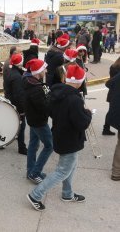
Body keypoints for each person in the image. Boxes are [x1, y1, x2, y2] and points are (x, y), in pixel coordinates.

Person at [27, 64, 92, 211]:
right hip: (69, 139)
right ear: (78, 81)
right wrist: (87, 113)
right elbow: (82, 123)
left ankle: (67, 193)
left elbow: (52, 112)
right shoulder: (74, 99)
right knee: (62, 170)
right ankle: (35, 195)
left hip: (61, 135)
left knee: (71, 165)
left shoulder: (56, 92)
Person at [23, 59, 53, 184]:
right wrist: (50, 96)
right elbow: (44, 107)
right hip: (39, 121)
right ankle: (34, 173)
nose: (46, 71)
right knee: (49, 146)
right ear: (38, 72)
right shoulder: (36, 88)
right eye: (44, 69)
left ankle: (30, 170)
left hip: (32, 119)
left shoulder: (29, 82)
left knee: (33, 144)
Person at [4, 53, 27, 155]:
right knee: (21, 126)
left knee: (12, 124)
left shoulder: (12, 71)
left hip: (11, 102)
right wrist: (22, 110)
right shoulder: (17, 77)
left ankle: (2, 141)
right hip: (17, 105)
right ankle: (21, 147)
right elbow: (19, 95)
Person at [102, 57, 120, 136]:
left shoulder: (113, 66)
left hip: (112, 91)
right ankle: (106, 128)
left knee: (111, 111)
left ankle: (106, 128)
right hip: (115, 92)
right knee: (111, 111)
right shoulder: (117, 69)